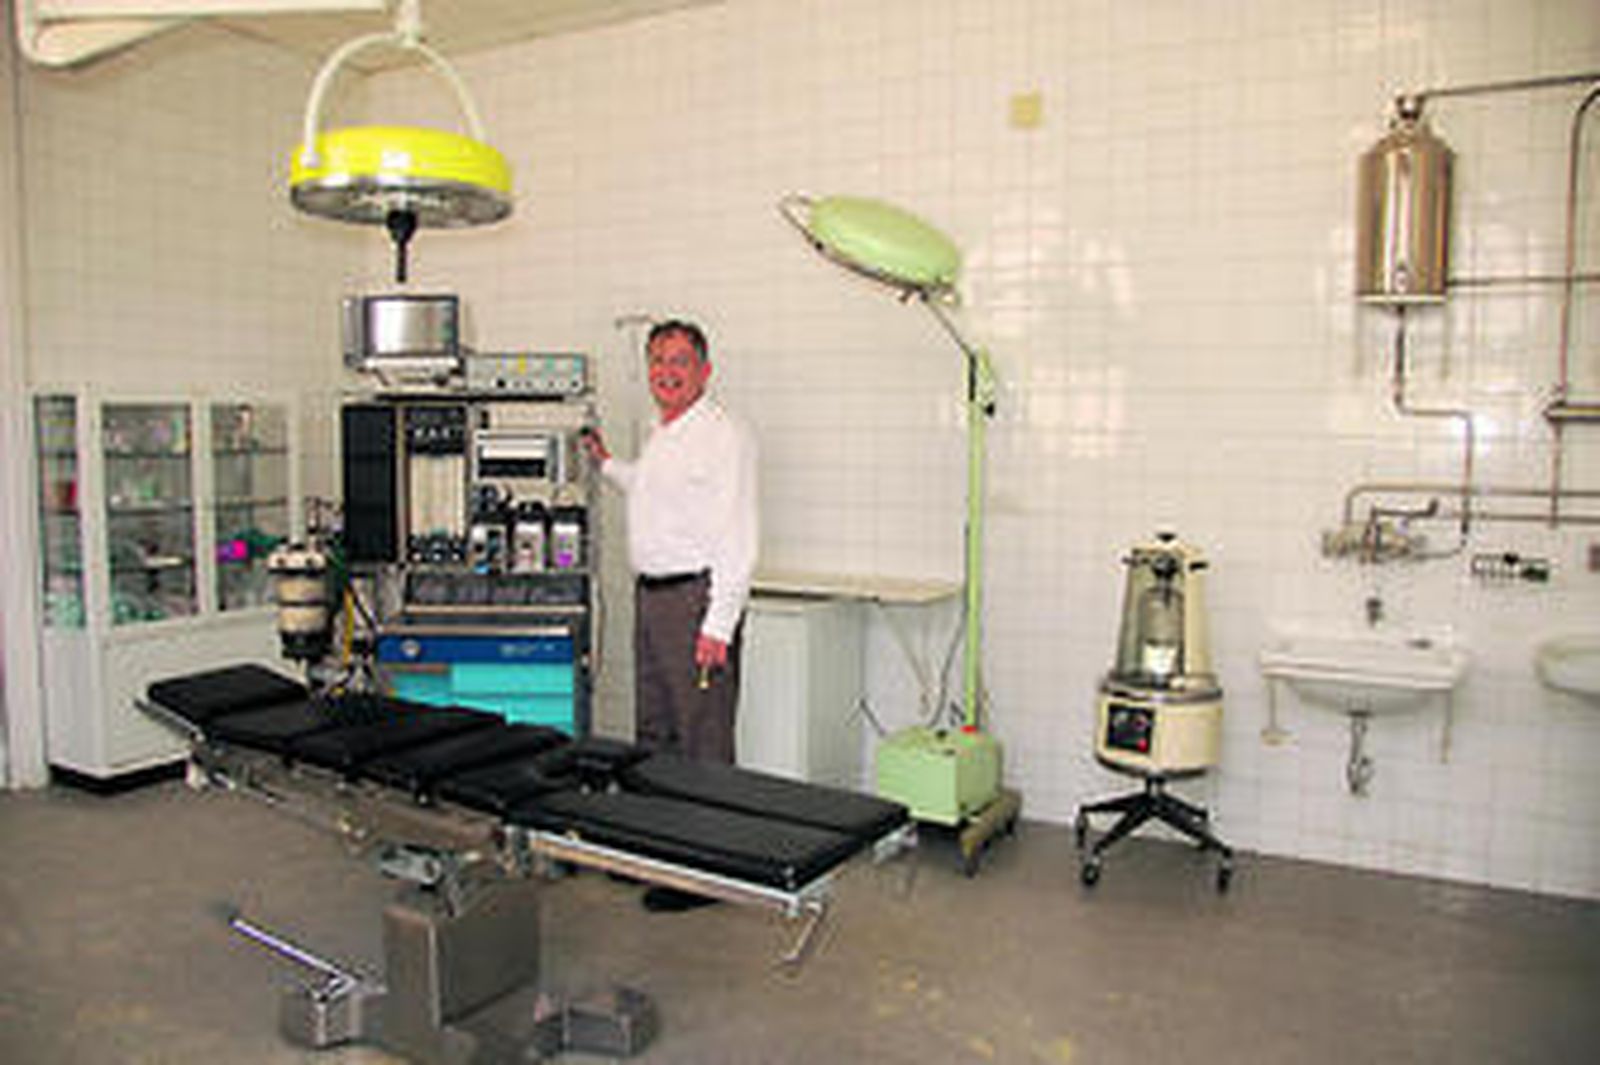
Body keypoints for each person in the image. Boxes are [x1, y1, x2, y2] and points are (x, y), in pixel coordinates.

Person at [581, 320, 758, 911]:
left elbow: (739, 536)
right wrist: (608, 464)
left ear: (705, 369)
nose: (666, 370)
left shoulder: (723, 435)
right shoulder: (664, 432)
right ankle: (657, 851)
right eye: (657, 359)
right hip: (653, 598)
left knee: (702, 738)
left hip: (695, 604)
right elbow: (657, 495)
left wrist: (718, 625)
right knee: (654, 732)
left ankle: (708, 873)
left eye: (679, 359)